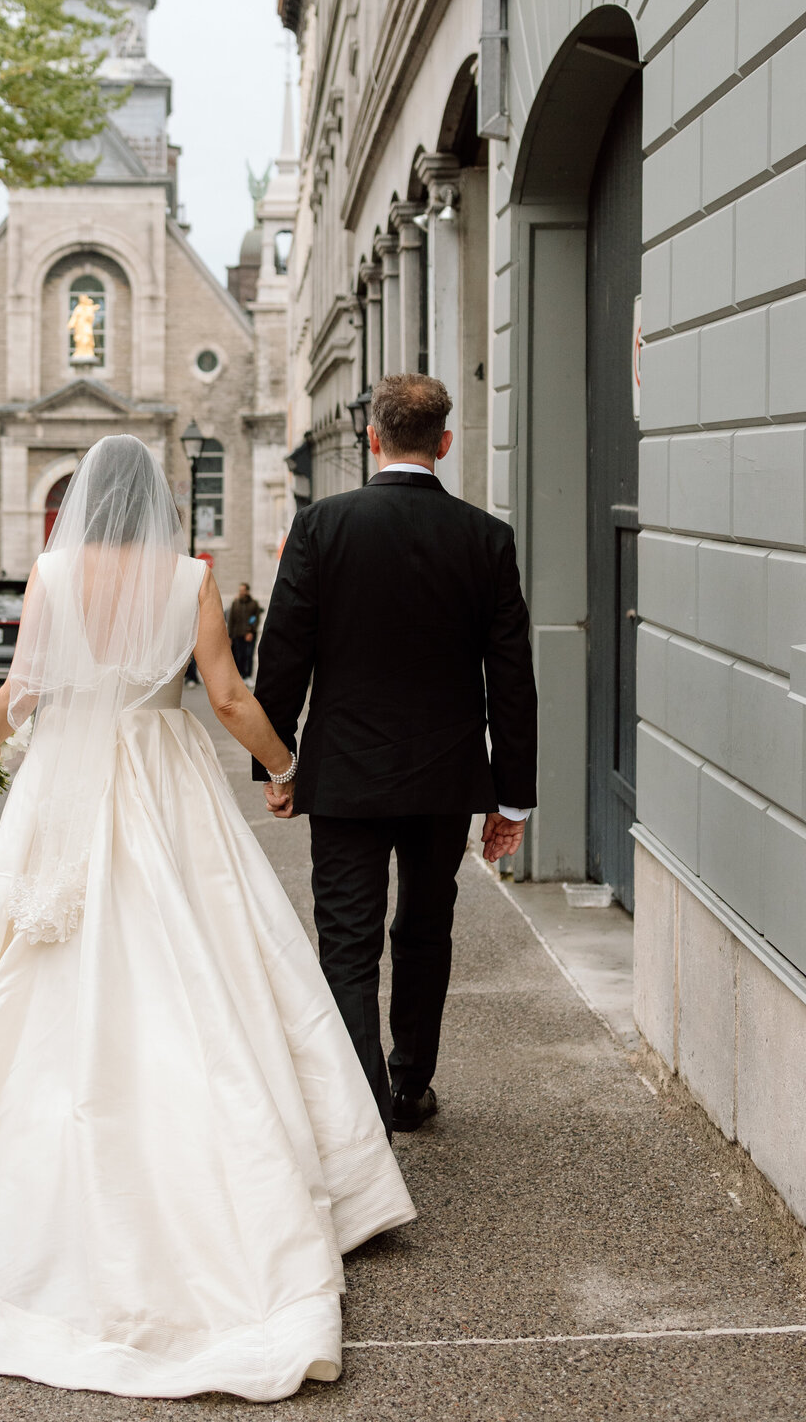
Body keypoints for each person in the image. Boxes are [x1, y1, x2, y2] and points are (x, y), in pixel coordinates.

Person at [0, 434, 413, 1403]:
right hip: (166, 778)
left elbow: (24, 689)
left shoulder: (50, 574)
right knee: (211, 954)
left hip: (67, 784)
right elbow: (224, 697)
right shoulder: (191, 578)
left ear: (87, 502)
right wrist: (284, 765)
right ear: (162, 503)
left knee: (22, 970)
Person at [254, 373, 538, 1139]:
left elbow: (283, 656)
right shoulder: (486, 538)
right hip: (446, 775)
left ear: (371, 438)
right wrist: (511, 798)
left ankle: (360, 1111)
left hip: (345, 772)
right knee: (424, 926)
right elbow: (511, 675)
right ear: (443, 444)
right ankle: (411, 1084)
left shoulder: (321, 529)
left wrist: (278, 766)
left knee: (346, 939)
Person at [227, 580, 262, 679]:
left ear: (247, 591)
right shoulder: (235, 603)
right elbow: (231, 620)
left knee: (249, 655)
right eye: (240, 590)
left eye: (243, 590)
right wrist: (230, 635)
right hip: (237, 634)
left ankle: (248, 676)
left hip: (249, 635)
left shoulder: (254, 604)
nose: (241, 592)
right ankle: (240, 676)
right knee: (239, 656)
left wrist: (251, 631)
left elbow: (255, 618)